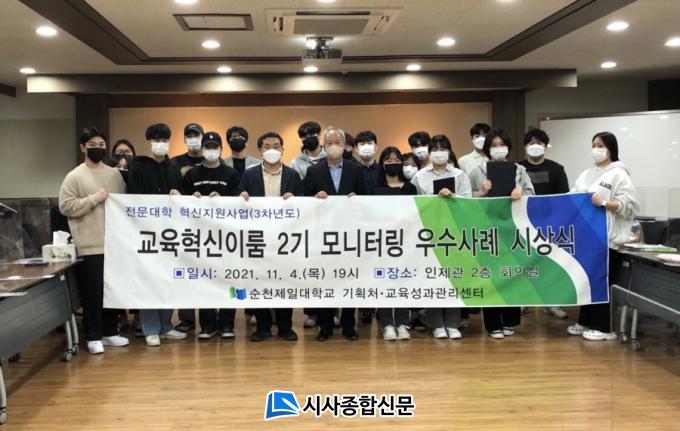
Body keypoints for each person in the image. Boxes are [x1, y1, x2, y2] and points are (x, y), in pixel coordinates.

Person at [58, 127, 129, 354]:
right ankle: (93, 335)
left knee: (112, 290)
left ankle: (110, 332)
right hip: (90, 245)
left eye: (101, 145)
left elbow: (125, 204)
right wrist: (94, 198)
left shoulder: (114, 174)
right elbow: (65, 206)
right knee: (93, 292)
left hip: (114, 244)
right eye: (92, 145)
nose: (97, 149)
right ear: (83, 148)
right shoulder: (74, 176)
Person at [567, 132, 639, 341]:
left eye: (600, 145)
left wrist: (605, 203)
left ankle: (605, 328)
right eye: (594, 145)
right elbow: (571, 196)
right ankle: (585, 321)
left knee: (602, 283)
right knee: (588, 282)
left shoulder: (619, 174)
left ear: (610, 148)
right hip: (587, 239)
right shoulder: (587, 174)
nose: (596, 149)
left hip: (608, 239)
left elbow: (630, 206)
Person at [468, 128, 535, 339]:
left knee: (511, 274)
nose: (498, 149)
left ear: (509, 147)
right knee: (491, 276)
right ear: (487, 149)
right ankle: (492, 324)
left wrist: (521, 192)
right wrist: (480, 193)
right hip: (487, 230)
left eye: (501, 145)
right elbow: (465, 199)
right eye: (493, 146)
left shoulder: (519, 170)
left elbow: (533, 195)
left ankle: (510, 320)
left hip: (512, 229)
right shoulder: (477, 170)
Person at [303, 126, 366, 341]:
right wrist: (315, 197)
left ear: (345, 145)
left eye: (338, 143)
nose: (334, 147)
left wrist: (357, 197)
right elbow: (303, 199)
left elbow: (368, 197)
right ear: (323, 146)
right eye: (329, 143)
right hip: (323, 235)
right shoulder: (314, 170)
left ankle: (349, 326)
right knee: (325, 280)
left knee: (349, 280)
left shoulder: (355, 169)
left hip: (350, 235)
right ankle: (325, 326)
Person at [127, 123, 188, 346]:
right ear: (149, 142)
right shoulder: (138, 167)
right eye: (156, 140)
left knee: (168, 280)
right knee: (149, 281)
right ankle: (150, 328)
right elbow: (132, 199)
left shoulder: (174, 168)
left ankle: (166, 325)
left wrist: (178, 194)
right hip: (147, 233)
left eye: (164, 140)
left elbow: (183, 197)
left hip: (171, 233)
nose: (161, 143)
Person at [240, 132, 303, 342]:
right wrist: (242, 197)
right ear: (260, 150)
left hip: (285, 238)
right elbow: (238, 199)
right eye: (267, 146)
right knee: (259, 281)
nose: (272, 149)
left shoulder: (293, 175)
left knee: (284, 281)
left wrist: (295, 199)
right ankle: (263, 327)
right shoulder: (249, 174)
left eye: (276, 145)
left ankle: (285, 327)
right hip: (258, 237)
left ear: (283, 149)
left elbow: (304, 202)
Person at [181, 131, 241, 340]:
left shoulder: (231, 174)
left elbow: (239, 201)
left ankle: (227, 324)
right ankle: (207, 325)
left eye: (215, 147)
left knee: (228, 279)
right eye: (208, 147)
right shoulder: (192, 174)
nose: (211, 150)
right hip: (200, 236)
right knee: (204, 279)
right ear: (202, 149)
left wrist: (222, 199)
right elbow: (181, 201)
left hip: (226, 237)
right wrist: (193, 198)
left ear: (221, 150)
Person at [410, 134, 471, 339]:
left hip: (454, 232)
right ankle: (436, 324)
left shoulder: (460, 175)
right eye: (434, 149)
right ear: (429, 153)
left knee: (454, 277)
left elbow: (470, 202)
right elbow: (412, 203)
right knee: (433, 277)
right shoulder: (419, 176)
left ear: (449, 151)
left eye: (443, 149)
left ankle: (453, 324)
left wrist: (453, 197)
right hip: (429, 231)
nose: (439, 153)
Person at [518, 128, 570, 319]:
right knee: (524, 262)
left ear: (546, 146)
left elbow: (563, 197)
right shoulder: (517, 168)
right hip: (523, 223)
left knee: (551, 263)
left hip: (550, 223)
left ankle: (552, 303)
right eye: (531, 143)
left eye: (539, 143)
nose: (535, 146)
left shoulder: (557, 169)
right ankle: (523, 300)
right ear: (525, 146)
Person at [374, 146, 417, 340]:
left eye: (396, 160)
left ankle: (402, 323)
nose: (393, 163)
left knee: (403, 280)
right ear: (382, 164)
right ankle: (387, 324)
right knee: (384, 282)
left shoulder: (410, 188)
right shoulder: (374, 188)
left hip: (406, 241)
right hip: (381, 242)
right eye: (388, 160)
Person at [291, 120, 327, 328]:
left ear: (320, 135)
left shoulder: (331, 157)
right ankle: (312, 313)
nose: (309, 137)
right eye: (304, 135)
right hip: (308, 219)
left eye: (313, 133)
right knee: (310, 266)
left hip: (331, 218)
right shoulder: (296, 162)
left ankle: (332, 311)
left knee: (330, 265)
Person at [171, 123, 206, 334]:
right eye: (189, 135)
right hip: (184, 226)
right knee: (186, 273)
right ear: (184, 139)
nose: (193, 138)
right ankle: (186, 318)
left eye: (196, 135)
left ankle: (210, 318)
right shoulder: (175, 163)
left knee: (210, 273)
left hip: (211, 227)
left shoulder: (214, 160)